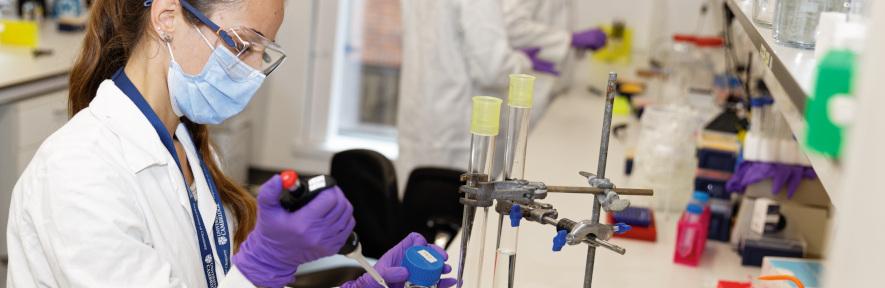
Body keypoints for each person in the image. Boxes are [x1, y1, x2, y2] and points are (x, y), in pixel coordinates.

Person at [5, 0, 454, 287]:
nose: (255, 70)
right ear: (167, 18)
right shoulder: (78, 175)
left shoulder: (190, 146)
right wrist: (266, 262)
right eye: (243, 45)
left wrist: (357, 282)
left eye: (264, 52)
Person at [396, 0, 559, 187]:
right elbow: (492, 70)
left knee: (417, 201)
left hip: (420, 119)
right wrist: (523, 61)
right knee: (458, 208)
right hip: (459, 130)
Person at [502, 0, 608, 122]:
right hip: (530, 89)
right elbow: (512, 27)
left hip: (555, 91)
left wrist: (577, 44)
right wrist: (569, 39)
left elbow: (556, 23)